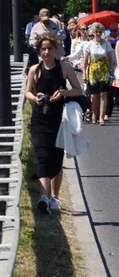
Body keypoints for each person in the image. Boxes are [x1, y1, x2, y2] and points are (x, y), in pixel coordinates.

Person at [26, 33, 83, 215]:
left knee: (56, 159)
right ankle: (43, 197)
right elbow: (28, 92)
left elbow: (78, 90)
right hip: (40, 118)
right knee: (42, 155)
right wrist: (37, 98)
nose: (46, 52)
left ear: (55, 49)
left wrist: (63, 93)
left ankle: (54, 197)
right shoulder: (35, 70)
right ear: (39, 51)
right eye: (43, 49)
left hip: (60, 118)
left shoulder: (64, 67)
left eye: (50, 48)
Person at [82, 23, 114, 125]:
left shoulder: (106, 44)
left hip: (104, 71)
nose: (98, 34)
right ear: (93, 33)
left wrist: (111, 71)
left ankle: (101, 117)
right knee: (94, 96)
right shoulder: (89, 44)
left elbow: (110, 58)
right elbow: (85, 60)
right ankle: (94, 114)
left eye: (100, 32)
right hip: (93, 71)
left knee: (103, 95)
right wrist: (84, 73)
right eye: (96, 32)